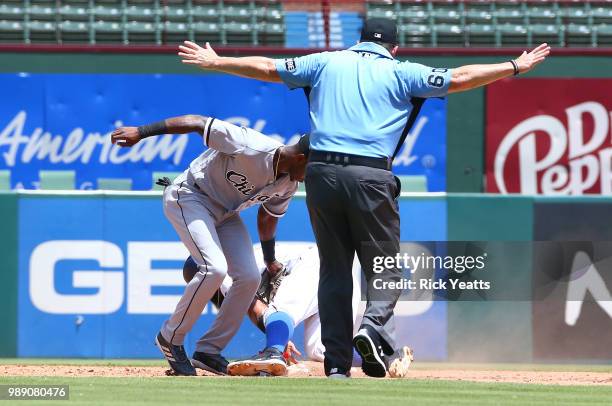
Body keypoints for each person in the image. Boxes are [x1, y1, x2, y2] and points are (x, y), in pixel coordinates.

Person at [176, 18, 551, 378]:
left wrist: (217, 61)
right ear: (394, 46)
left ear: (359, 40)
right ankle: (371, 330)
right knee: (385, 267)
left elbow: (268, 68)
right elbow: (462, 77)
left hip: (321, 174)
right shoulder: (403, 71)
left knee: (334, 271)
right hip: (370, 174)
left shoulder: (325, 62)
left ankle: (337, 365)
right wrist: (514, 65)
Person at [111, 115, 309, 376]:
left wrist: (270, 259)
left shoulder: (289, 184)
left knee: (249, 278)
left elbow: (267, 217)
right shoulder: (251, 145)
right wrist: (141, 131)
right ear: (301, 158)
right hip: (191, 195)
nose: (313, 178)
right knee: (213, 269)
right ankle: (170, 338)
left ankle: (208, 350)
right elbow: (195, 122)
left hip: (226, 214)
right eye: (316, 170)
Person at [181, 244, 413, 377]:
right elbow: (254, 309)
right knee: (324, 351)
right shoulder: (228, 270)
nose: (199, 285)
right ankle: (387, 357)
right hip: (338, 273)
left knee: (283, 310)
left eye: (196, 278)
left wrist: (276, 342)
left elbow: (257, 308)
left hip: (314, 267)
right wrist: (277, 334)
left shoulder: (223, 271)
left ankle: (273, 352)